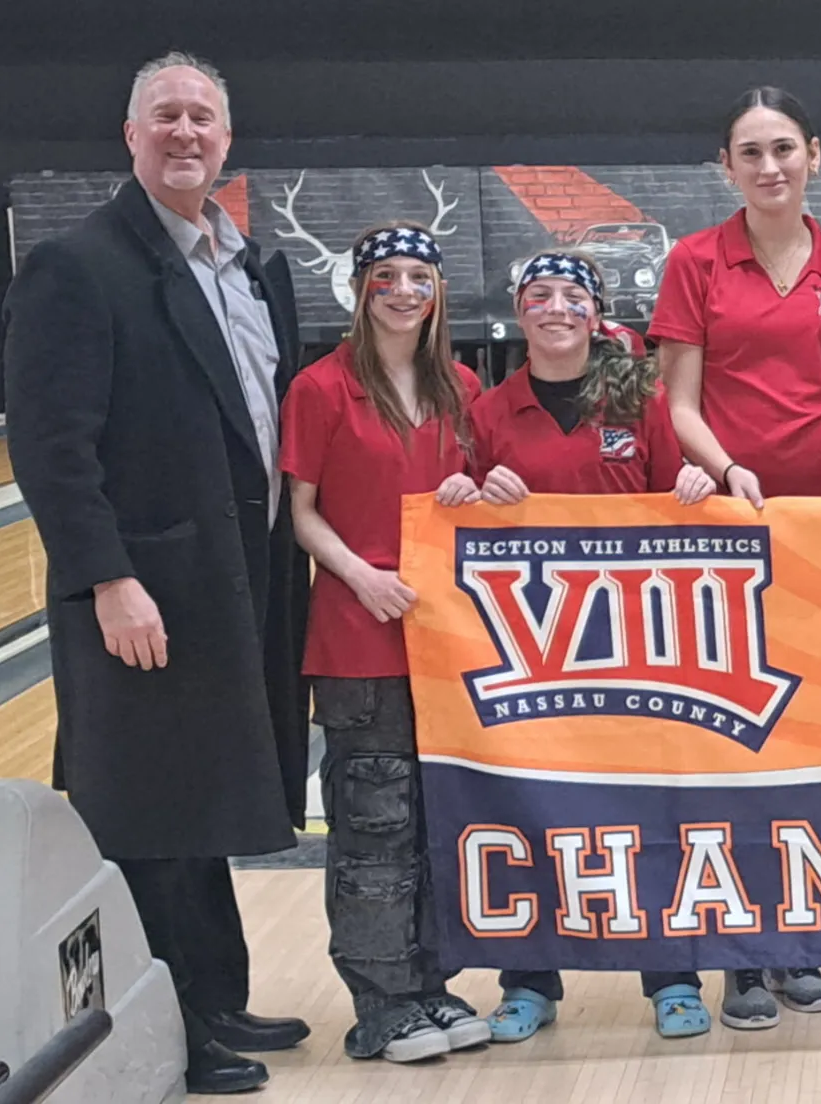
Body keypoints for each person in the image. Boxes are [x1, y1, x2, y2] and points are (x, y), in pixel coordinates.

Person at [1, 52, 312, 1094]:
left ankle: (219, 997)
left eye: (204, 119)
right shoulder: (76, 266)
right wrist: (105, 580)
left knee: (210, 796)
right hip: (144, 589)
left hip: (240, 575)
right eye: (166, 117)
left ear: (228, 142)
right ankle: (172, 1021)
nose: (186, 134)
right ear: (129, 137)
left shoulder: (252, 263)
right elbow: (53, 447)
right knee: (145, 812)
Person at [650, 83, 821, 1029]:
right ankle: (740, 958)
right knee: (735, 746)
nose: (770, 166)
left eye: (784, 148)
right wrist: (728, 467)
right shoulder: (694, 262)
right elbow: (679, 404)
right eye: (751, 153)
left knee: (812, 746)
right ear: (728, 168)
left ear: (815, 155)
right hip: (727, 535)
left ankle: (795, 941)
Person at [442, 251, 720, 1041]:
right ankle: (530, 980)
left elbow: (678, 504)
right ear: (520, 312)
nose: (555, 307)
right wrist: (467, 496)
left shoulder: (642, 398)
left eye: (572, 296)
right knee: (533, 811)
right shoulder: (490, 411)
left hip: (636, 643)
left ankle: (672, 976)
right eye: (539, 295)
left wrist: (695, 488)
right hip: (528, 651)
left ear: (596, 315)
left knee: (648, 809)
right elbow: (449, 519)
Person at [277, 221, 491, 1063]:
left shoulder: (463, 387)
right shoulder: (321, 388)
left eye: (419, 277)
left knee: (436, 822)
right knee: (374, 822)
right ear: (360, 288)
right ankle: (380, 1001)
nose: (404, 291)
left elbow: (472, 501)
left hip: (446, 642)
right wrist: (362, 577)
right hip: (358, 636)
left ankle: (429, 984)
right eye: (387, 276)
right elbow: (301, 514)